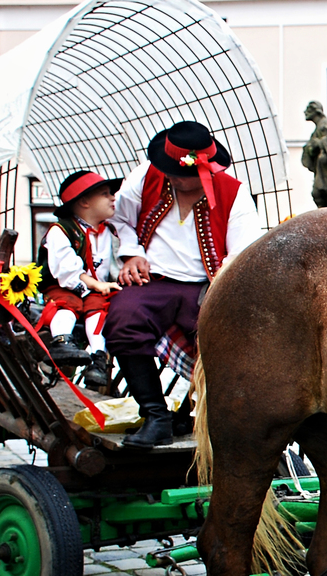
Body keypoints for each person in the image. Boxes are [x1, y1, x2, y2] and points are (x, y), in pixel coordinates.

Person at [107, 121, 261, 448]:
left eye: (180, 173)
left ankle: (197, 414)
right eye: (168, 170)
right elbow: (120, 219)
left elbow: (243, 251)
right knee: (122, 318)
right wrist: (132, 255)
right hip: (154, 281)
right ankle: (155, 416)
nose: (172, 177)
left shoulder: (234, 192)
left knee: (222, 344)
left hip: (206, 286)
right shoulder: (145, 177)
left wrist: (224, 285)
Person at [38, 171, 123, 386]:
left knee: (98, 308)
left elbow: (114, 264)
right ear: (84, 201)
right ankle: (62, 341)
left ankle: (98, 358)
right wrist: (96, 284)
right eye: (105, 194)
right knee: (68, 305)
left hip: (95, 289)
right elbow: (67, 272)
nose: (113, 197)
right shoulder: (61, 231)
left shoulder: (110, 232)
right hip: (63, 286)